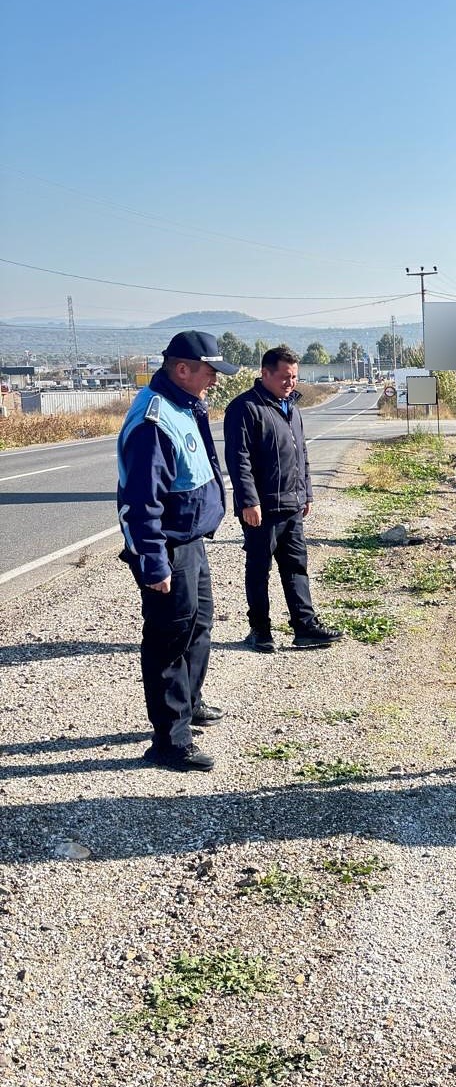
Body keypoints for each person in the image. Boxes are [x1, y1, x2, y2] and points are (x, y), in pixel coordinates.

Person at [117, 330, 238, 772]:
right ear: (182, 369)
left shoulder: (185, 405)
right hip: (168, 546)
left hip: (192, 539)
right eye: (210, 372)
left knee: (199, 623)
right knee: (169, 638)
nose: (215, 380)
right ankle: (170, 741)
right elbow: (139, 504)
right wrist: (153, 562)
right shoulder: (153, 420)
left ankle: (190, 702)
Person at [223, 346, 343, 653]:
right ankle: (260, 631)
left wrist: (307, 493)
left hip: (292, 505)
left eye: (294, 377)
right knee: (258, 569)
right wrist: (249, 501)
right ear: (265, 374)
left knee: (296, 568)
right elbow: (239, 460)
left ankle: (305, 627)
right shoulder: (245, 408)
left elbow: (301, 453)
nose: (290, 383)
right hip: (261, 509)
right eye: (284, 377)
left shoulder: (291, 407)